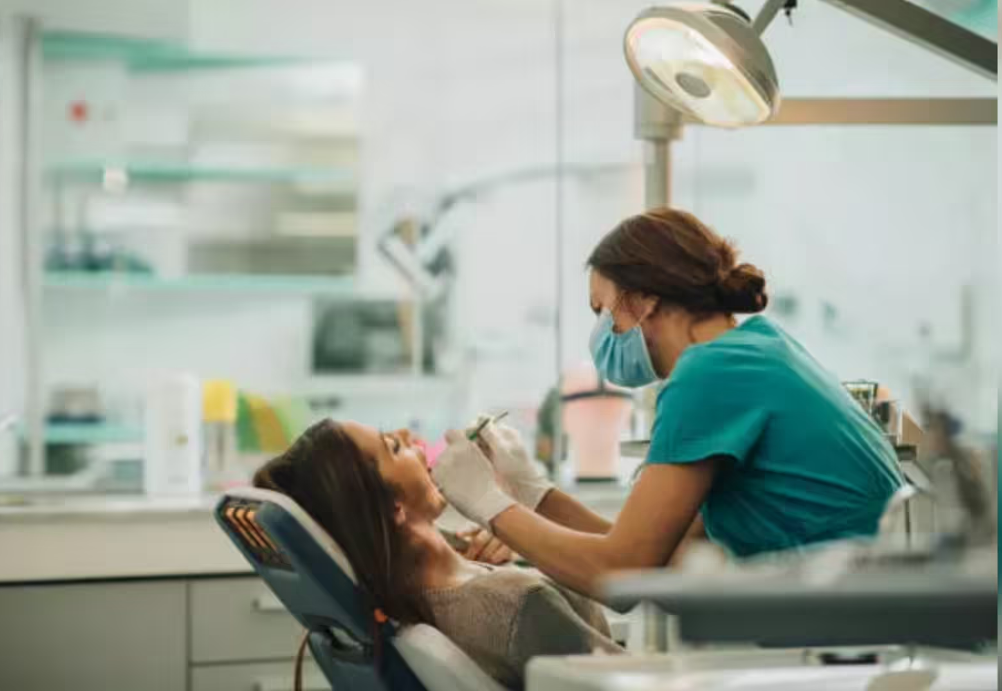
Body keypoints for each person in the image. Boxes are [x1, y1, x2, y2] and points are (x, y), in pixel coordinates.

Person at [431, 207, 906, 599]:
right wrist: (534, 493)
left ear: (643, 300)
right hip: (872, 619)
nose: (601, 334)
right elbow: (664, 557)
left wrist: (488, 503)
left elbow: (621, 572)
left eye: (602, 311)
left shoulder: (710, 373)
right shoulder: (756, 348)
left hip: (856, 634)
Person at [252, 419, 622, 690]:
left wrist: (520, 533)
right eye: (393, 447)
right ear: (394, 508)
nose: (410, 438)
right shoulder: (518, 603)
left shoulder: (404, 599)